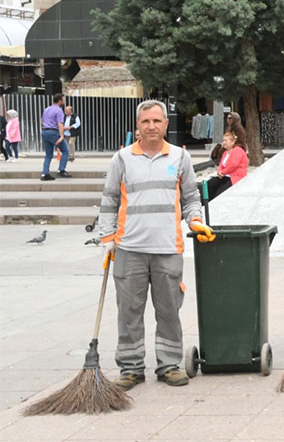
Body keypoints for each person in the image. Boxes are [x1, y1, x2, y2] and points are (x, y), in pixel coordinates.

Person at [98, 100, 215, 390]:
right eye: (145, 121)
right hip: (129, 249)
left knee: (168, 311)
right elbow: (109, 199)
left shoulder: (179, 157)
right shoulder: (122, 159)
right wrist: (107, 238)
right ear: (137, 125)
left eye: (156, 121)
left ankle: (169, 364)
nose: (151, 126)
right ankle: (131, 367)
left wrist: (196, 222)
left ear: (165, 124)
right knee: (129, 311)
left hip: (167, 248)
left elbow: (190, 198)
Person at [205, 131, 248, 199]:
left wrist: (223, 172)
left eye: (226, 140)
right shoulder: (225, 153)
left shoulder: (238, 150)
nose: (224, 142)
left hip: (235, 177)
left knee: (220, 192)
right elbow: (221, 165)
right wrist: (219, 172)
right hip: (225, 176)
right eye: (223, 140)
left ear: (232, 142)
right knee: (209, 184)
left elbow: (233, 165)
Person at [40, 93, 71, 180]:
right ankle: (61, 170)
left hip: (45, 132)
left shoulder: (46, 109)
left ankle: (45, 174)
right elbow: (60, 124)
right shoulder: (59, 110)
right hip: (53, 133)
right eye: (63, 100)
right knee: (65, 151)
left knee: (48, 155)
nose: (64, 102)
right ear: (59, 101)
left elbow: (42, 122)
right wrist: (61, 136)